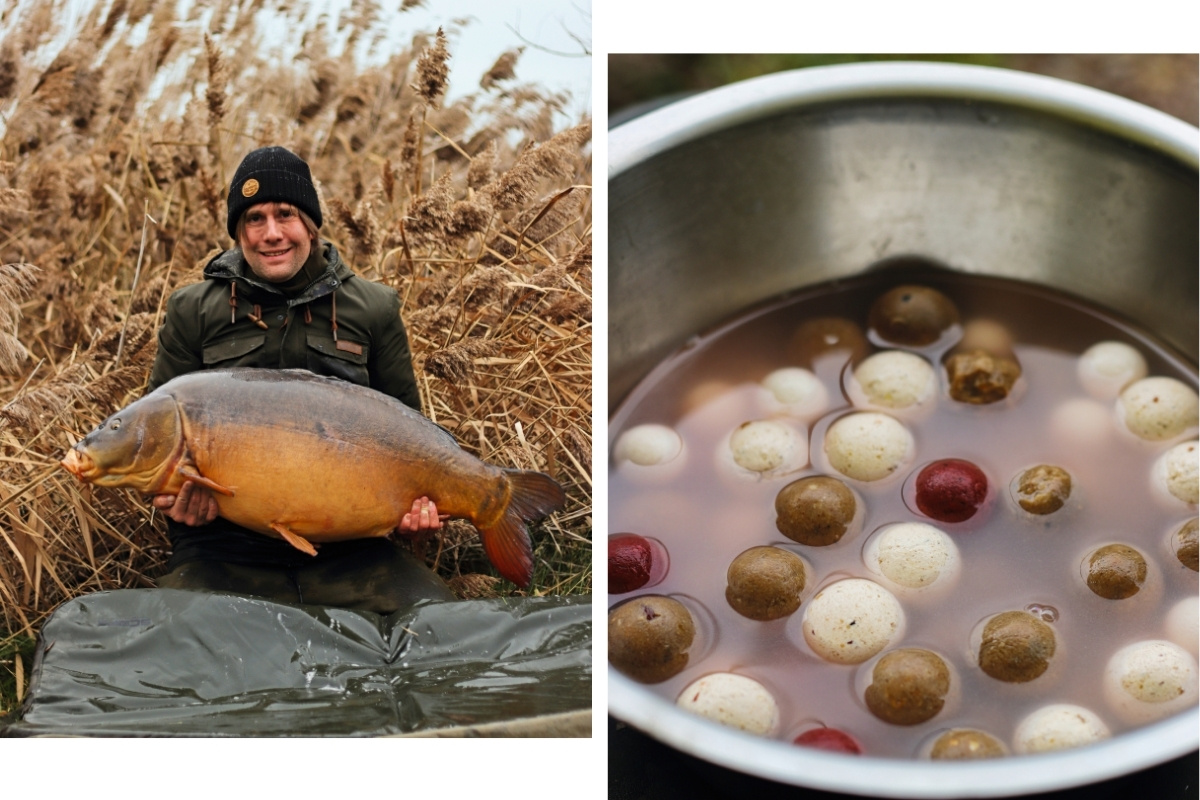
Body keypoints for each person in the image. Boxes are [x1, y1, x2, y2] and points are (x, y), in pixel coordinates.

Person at [148, 146, 455, 613]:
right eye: (254, 218)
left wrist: (417, 510)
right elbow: (155, 435)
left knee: (433, 625)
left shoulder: (373, 308)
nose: (271, 234)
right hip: (223, 547)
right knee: (189, 641)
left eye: (285, 214)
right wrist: (173, 501)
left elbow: (408, 432)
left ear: (310, 223)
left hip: (352, 548)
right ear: (238, 231)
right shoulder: (192, 310)